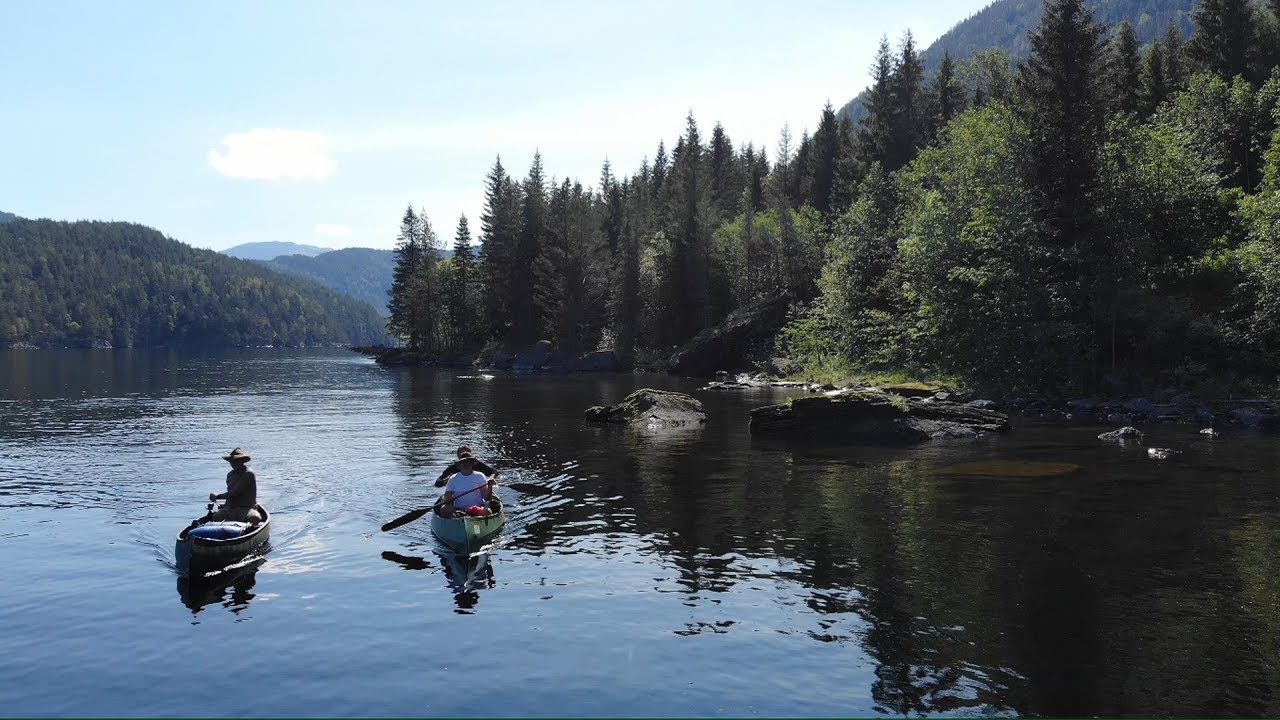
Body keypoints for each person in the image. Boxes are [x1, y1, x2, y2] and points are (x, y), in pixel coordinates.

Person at [209, 448, 263, 523]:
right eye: (232, 461)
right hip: (230, 508)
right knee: (216, 517)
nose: (233, 463)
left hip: (246, 508)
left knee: (254, 518)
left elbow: (235, 492)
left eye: (236, 461)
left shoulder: (249, 473)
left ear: (242, 461)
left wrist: (218, 496)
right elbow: (230, 492)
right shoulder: (230, 475)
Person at [439, 452, 496, 518]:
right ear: (459, 465)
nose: (466, 464)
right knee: (444, 509)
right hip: (459, 510)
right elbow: (447, 495)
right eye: (463, 462)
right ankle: (453, 523)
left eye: (468, 462)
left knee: (487, 511)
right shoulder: (453, 478)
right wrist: (448, 499)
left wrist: (490, 486)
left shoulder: (480, 476)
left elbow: (487, 498)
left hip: (477, 508)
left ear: (472, 464)